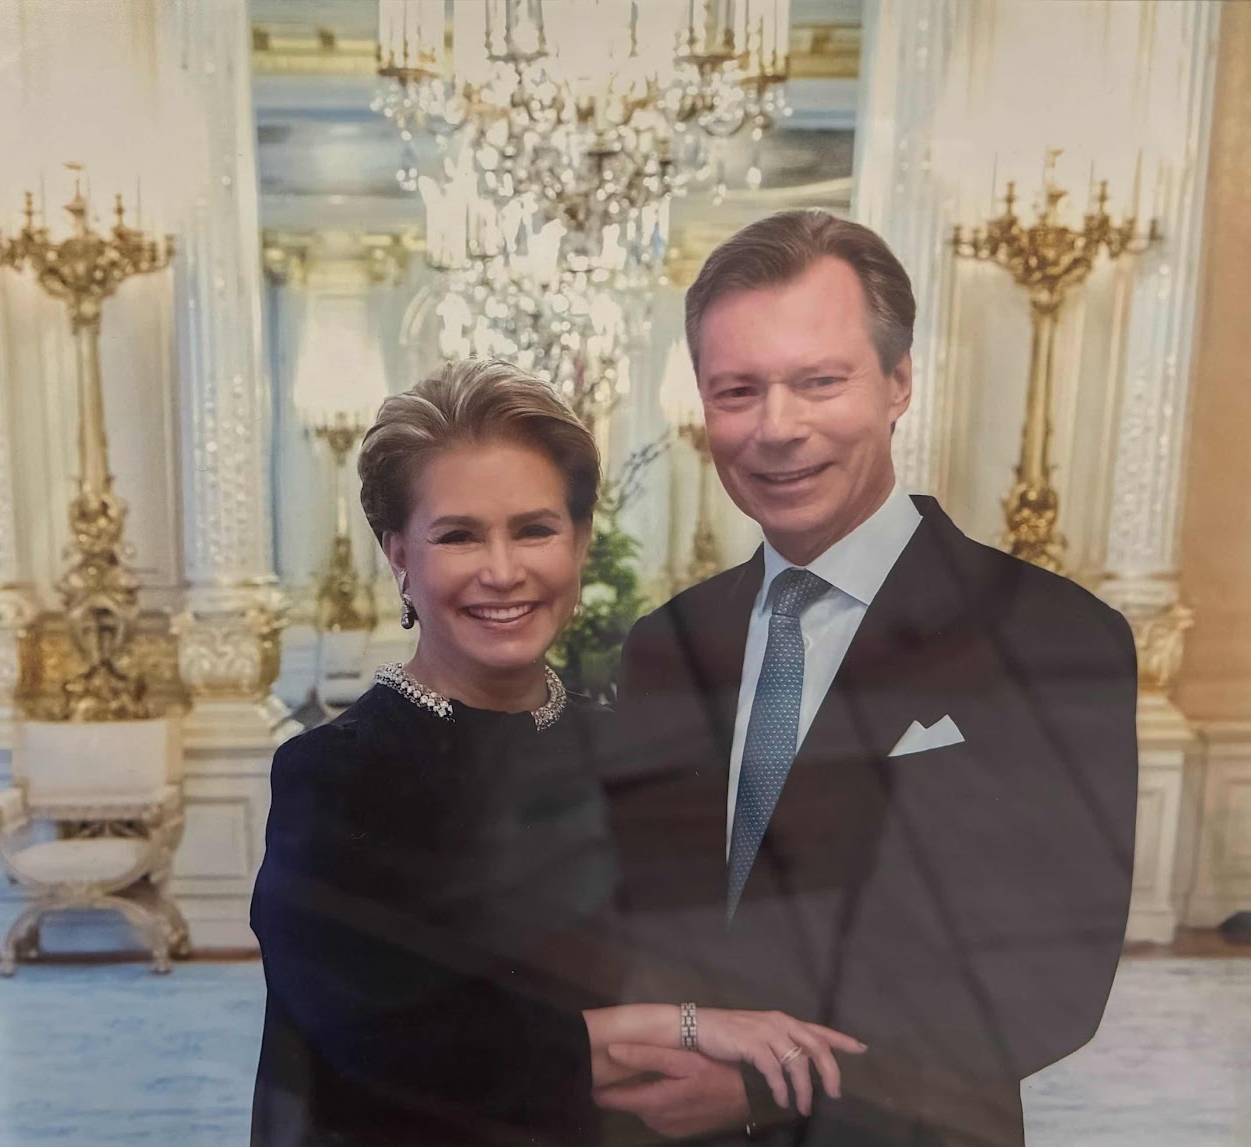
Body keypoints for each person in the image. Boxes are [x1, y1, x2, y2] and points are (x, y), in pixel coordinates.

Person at [600, 212, 1140, 1147]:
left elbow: (1050, 979)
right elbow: (648, 917)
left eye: (819, 381)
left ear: (898, 383)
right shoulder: (667, 644)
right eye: (737, 391)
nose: (777, 428)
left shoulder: (1053, 637)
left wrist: (762, 1088)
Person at [250, 357, 863, 1147]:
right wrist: (675, 1024)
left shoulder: (640, 755)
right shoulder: (335, 777)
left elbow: (764, 975)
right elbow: (400, 1048)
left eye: (535, 529)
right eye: (459, 535)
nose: (503, 572)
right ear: (400, 557)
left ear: (579, 542)